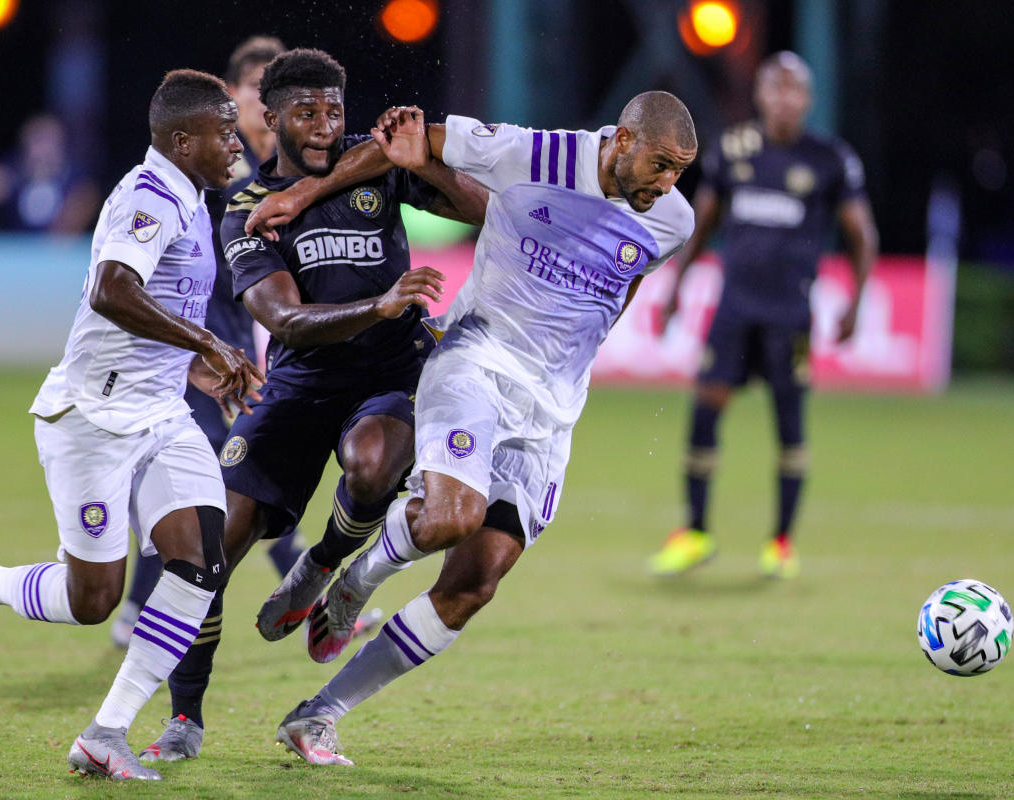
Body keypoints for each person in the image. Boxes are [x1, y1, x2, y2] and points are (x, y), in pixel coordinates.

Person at [243, 90, 698, 765]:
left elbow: (625, 280)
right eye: (661, 166)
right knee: (453, 516)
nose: (668, 185)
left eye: (680, 172)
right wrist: (308, 191)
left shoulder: (674, 220)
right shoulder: (536, 152)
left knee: (475, 582)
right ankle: (350, 585)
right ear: (623, 142)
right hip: (476, 360)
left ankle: (318, 716)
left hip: (551, 412)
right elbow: (411, 139)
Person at [137, 48, 488, 763]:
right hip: (298, 383)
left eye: (334, 109)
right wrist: (382, 302)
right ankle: (183, 719)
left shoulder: (375, 164)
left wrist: (422, 162)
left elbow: (482, 211)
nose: (325, 124)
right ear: (271, 120)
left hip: (390, 374)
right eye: (306, 111)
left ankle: (321, 566)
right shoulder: (245, 209)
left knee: (370, 463)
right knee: (208, 552)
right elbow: (286, 321)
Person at [0, 69, 264, 781]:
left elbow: (158, 308)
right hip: (94, 421)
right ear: (182, 139)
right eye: (224, 130)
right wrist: (206, 342)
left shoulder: (193, 198)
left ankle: (107, 732)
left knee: (201, 562)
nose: (236, 141)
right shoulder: (150, 196)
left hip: (162, 417)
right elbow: (114, 289)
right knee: (93, 599)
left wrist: (193, 366)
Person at [646, 51, 879, 579]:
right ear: (761, 95)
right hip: (734, 308)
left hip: (789, 314)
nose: (784, 98)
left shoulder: (830, 158)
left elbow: (862, 234)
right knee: (705, 410)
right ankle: (696, 533)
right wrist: (677, 288)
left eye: (794, 89)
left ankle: (781, 542)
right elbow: (702, 223)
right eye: (775, 88)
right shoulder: (733, 150)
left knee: (789, 424)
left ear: (808, 99)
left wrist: (856, 303)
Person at [108, 35, 296, 651]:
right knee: (224, 474)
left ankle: (141, 609)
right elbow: (122, 284)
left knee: (226, 475)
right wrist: (196, 349)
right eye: (257, 92)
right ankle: (293, 592)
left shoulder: (273, 174)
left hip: (229, 349)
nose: (267, 108)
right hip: (189, 355)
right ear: (235, 93)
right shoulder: (205, 178)